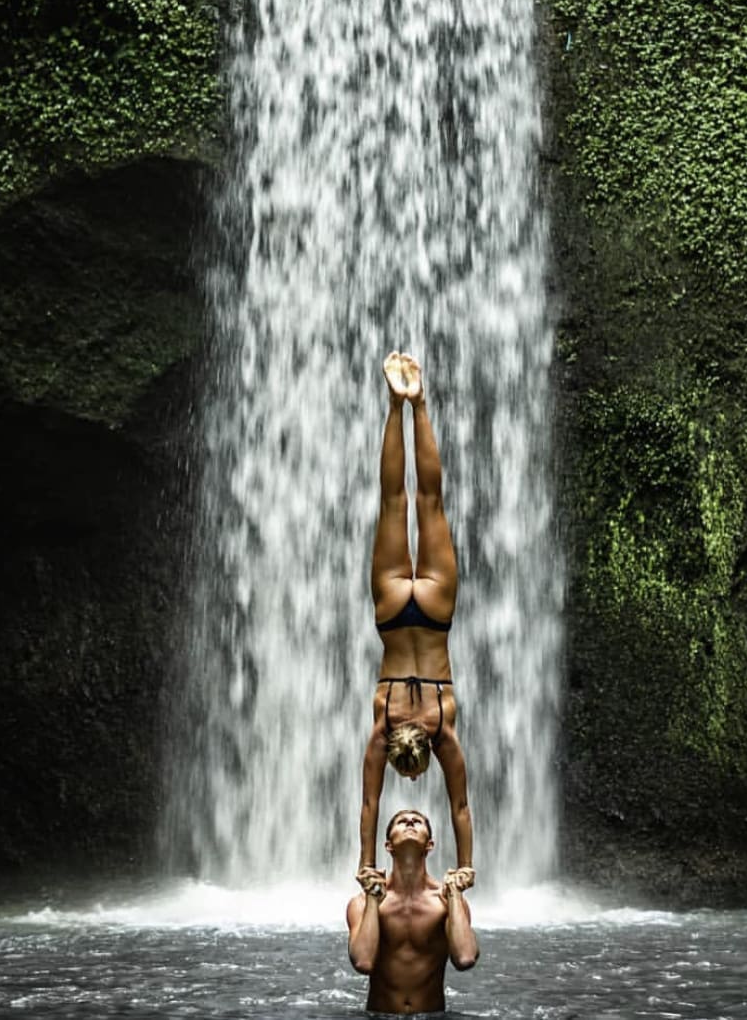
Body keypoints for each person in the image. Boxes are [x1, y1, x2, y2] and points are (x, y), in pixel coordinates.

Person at [357, 352, 474, 889]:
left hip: (433, 615)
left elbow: (461, 807)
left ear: (423, 749)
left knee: (428, 502)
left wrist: (466, 863)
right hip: (392, 613)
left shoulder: (443, 729)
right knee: (394, 502)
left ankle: (417, 402)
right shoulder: (383, 728)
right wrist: (365, 862)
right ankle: (396, 403)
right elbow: (369, 802)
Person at [347, 808, 479, 1014]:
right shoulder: (363, 902)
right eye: (401, 822)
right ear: (388, 846)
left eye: (417, 821)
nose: (409, 822)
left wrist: (454, 894)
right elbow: (363, 961)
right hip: (380, 1016)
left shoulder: (446, 901)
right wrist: (373, 899)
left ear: (430, 845)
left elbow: (465, 957)